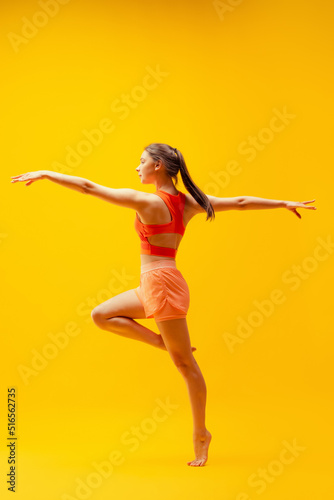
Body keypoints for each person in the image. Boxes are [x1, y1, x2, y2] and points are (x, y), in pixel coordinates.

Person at [11, 142, 317, 466]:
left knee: (186, 366)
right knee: (101, 315)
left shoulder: (147, 201)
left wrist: (46, 173)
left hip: (163, 285)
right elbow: (239, 202)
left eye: (142, 161)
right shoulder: (188, 203)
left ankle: (201, 433)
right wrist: (283, 202)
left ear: (158, 165)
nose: (137, 167)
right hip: (153, 283)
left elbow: (89, 188)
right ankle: (160, 342)